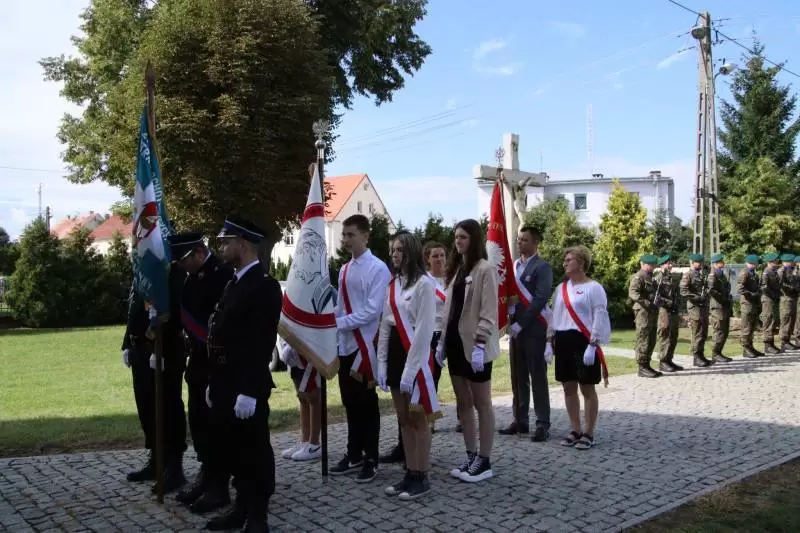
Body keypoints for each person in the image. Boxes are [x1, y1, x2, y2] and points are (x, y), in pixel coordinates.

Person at [204, 216, 281, 533]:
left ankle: (258, 515)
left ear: (243, 244)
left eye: (226, 242)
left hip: (246, 384)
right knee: (233, 449)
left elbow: (260, 343)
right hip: (225, 380)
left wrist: (249, 390)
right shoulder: (234, 282)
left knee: (254, 450)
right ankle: (240, 508)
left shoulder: (264, 286)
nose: (221, 247)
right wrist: (214, 380)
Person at [168, 232, 235, 513]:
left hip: (216, 363)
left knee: (216, 426)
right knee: (198, 421)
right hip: (197, 362)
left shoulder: (222, 275)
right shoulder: (191, 277)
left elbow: (223, 322)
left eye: (183, 261)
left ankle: (218, 485)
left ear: (197, 252)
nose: (181, 267)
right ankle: (206, 474)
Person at [436, 219, 499, 483]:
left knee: (482, 402)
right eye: (456, 237)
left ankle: (484, 459)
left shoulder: (485, 269)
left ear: (473, 239)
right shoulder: (458, 270)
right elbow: (448, 310)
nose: (458, 241)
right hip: (455, 343)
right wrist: (441, 343)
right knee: (463, 402)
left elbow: (489, 311)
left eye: (463, 237)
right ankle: (471, 454)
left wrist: (481, 344)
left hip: (475, 346)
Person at [377, 232, 439, 500]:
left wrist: (410, 371)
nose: (394, 254)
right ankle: (410, 472)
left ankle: (421, 475)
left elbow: (424, 330)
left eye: (400, 250)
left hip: (415, 353)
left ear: (411, 252)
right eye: (392, 250)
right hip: (394, 352)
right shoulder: (393, 284)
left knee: (418, 418)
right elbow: (384, 324)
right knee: (403, 418)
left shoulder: (425, 284)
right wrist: (381, 363)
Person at [330, 214, 391, 482]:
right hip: (345, 344)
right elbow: (341, 306)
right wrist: (329, 322)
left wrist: (339, 323)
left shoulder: (378, 269)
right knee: (349, 402)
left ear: (365, 236)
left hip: (365, 345)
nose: (345, 240)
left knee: (366, 403)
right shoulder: (344, 269)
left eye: (350, 235)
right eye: (344, 235)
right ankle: (354, 452)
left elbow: (372, 310)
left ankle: (371, 457)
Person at [121, 259, 187, 493]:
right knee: (147, 407)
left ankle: (174, 467)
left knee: (168, 407)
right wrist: (127, 343)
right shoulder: (142, 267)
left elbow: (173, 312)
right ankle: (156, 458)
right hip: (140, 349)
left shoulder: (171, 270)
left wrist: (162, 348)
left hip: (163, 351)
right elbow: (135, 308)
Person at [549, 245, 610, 450]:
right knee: (568, 387)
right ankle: (575, 429)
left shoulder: (594, 288)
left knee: (586, 387)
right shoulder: (561, 288)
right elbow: (554, 315)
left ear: (581, 263)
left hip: (583, 340)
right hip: (563, 339)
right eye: (565, 260)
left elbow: (600, 315)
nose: (564, 263)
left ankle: (588, 431)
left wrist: (593, 344)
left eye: (569, 260)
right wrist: (549, 341)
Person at [500, 226, 553, 441]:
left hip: (533, 329)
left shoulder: (542, 267)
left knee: (537, 376)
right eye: (519, 239)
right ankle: (520, 419)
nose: (519, 242)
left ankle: (542, 423)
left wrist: (521, 323)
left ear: (535, 243)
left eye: (524, 239)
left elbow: (540, 298)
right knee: (518, 376)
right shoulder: (513, 266)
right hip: (516, 330)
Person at [279, 336, 324, 463]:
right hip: (291, 348)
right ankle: (305, 441)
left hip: (308, 346)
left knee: (313, 397)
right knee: (302, 397)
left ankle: (314, 444)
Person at [628, 254, 662, 378]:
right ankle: (642, 367)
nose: (653, 267)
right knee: (643, 338)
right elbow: (633, 293)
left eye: (653, 265)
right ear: (644, 264)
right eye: (651, 265)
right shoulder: (639, 276)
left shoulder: (651, 277)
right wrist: (647, 302)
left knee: (651, 338)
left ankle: (647, 364)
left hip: (651, 312)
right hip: (643, 312)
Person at [680, 254, 712, 367]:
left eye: (701, 262)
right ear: (692, 263)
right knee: (697, 331)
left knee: (703, 331)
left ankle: (701, 354)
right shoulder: (688, 275)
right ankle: (696, 356)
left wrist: (706, 294)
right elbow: (683, 291)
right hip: (694, 307)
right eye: (698, 262)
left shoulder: (702, 274)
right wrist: (697, 297)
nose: (701, 264)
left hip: (703, 306)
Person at [655, 255, 684, 372]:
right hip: (664, 310)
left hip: (673, 310)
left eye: (670, 263)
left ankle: (669, 359)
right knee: (665, 335)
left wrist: (677, 303)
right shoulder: (658, 278)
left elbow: (676, 293)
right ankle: (663, 361)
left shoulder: (671, 277)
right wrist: (669, 302)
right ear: (662, 265)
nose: (670, 265)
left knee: (673, 335)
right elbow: (656, 297)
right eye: (668, 263)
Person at [707, 253, 733, 363]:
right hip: (717, 306)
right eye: (720, 262)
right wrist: (723, 298)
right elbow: (711, 290)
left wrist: (728, 296)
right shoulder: (713, 275)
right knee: (719, 330)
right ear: (715, 264)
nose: (723, 263)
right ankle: (715, 353)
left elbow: (725, 288)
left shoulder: (722, 274)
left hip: (724, 306)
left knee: (725, 331)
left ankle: (719, 352)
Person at [737, 255, 764, 358]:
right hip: (747, 304)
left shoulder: (754, 274)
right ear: (752, 263)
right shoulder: (744, 273)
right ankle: (745, 348)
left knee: (752, 327)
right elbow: (740, 289)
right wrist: (751, 294)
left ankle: (750, 346)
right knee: (746, 327)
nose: (757, 265)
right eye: (756, 263)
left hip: (753, 304)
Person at [760, 252, 782, 354]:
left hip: (774, 298)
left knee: (773, 320)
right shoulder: (766, 272)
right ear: (770, 262)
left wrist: (778, 295)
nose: (777, 262)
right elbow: (764, 287)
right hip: (768, 298)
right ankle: (767, 345)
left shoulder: (774, 272)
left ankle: (771, 343)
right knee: (768, 320)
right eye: (775, 261)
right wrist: (773, 295)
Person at [778, 253, 797, 351]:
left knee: (791, 319)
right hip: (785, 298)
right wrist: (792, 288)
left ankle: (787, 340)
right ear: (786, 262)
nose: (793, 263)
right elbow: (781, 284)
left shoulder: (790, 270)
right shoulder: (781, 271)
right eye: (791, 261)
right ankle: (784, 341)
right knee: (786, 319)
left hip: (792, 298)